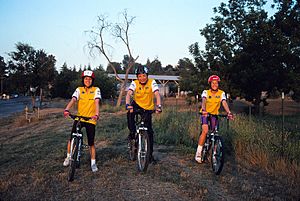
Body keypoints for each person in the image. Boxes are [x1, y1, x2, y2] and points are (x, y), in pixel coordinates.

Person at [63, 70, 101, 172]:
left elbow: (97, 102)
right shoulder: (79, 89)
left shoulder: (96, 90)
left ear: (92, 80)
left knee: (91, 143)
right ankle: (68, 156)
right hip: (79, 118)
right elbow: (73, 100)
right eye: (85, 79)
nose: (87, 80)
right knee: (71, 138)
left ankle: (93, 163)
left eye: (89, 79)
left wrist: (96, 114)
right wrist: (67, 109)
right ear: (83, 80)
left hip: (90, 119)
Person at [125, 66, 162, 162]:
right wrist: (128, 104)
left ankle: (149, 156)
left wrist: (158, 106)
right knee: (130, 114)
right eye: (140, 76)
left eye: (144, 75)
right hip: (136, 105)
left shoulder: (152, 82)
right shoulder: (135, 83)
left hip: (147, 108)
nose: (142, 78)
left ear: (147, 76)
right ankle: (132, 134)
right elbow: (129, 94)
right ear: (137, 77)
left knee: (149, 132)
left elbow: (157, 94)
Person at [195, 75, 233, 163]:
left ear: (218, 84)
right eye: (213, 83)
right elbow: (204, 101)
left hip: (214, 115)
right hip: (205, 114)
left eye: (216, 83)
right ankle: (199, 152)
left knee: (215, 134)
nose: (214, 84)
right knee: (205, 131)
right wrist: (204, 110)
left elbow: (224, 102)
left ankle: (213, 153)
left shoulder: (221, 93)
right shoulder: (206, 92)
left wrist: (229, 112)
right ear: (210, 84)